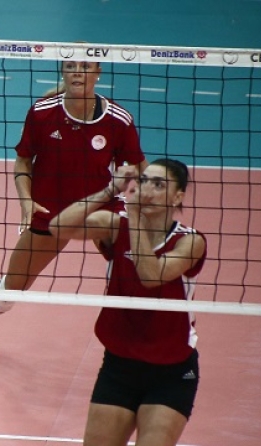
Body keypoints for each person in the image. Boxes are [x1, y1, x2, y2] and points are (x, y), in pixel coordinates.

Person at [0, 58, 150, 360]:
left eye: (86, 66)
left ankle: (142, 339)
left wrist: (146, 198)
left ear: (98, 71)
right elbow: (23, 160)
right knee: (14, 284)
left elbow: (141, 167)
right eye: (71, 66)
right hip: (50, 209)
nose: (77, 71)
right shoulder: (42, 112)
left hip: (100, 207)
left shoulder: (119, 119)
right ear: (63, 71)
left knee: (133, 268)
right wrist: (26, 200)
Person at [49, 159, 206, 446]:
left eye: (159, 184)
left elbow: (150, 276)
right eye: (144, 181)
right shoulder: (115, 225)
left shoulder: (190, 241)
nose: (148, 189)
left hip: (171, 370)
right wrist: (110, 190)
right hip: (119, 366)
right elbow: (58, 227)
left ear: (177, 197)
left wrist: (133, 216)